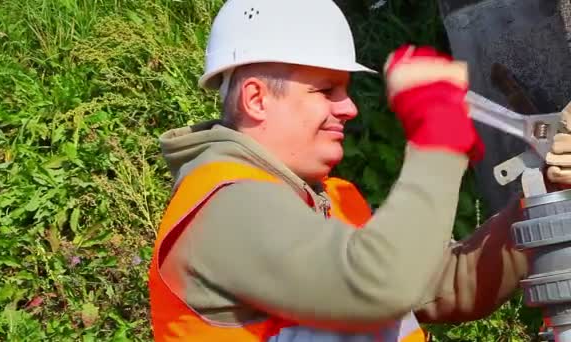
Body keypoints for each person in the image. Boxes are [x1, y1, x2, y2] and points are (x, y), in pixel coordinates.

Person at [147, 0, 571, 340]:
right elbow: (380, 286)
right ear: (257, 99)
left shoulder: (329, 200)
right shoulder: (227, 209)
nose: (349, 108)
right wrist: (438, 140)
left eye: (346, 91)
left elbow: (446, 284)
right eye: (326, 89)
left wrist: (541, 198)